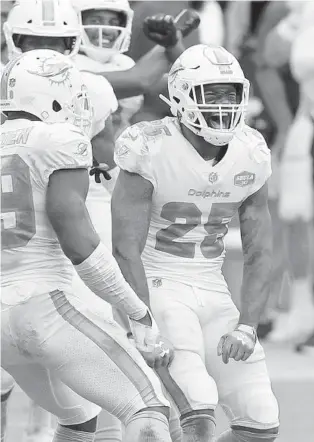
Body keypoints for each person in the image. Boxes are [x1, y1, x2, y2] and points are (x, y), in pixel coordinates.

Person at [0, 49, 174, 442]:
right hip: (43, 304)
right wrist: (137, 311)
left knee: (78, 421)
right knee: (147, 407)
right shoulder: (58, 139)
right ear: (52, 96)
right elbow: (79, 243)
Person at [111, 44, 280, 442]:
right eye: (211, 93)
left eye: (230, 93)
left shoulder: (250, 151)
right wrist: (143, 322)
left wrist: (249, 326)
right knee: (198, 408)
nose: (223, 105)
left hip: (211, 286)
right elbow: (125, 249)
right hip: (158, 284)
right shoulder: (148, 146)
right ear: (183, 94)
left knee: (260, 419)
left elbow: (260, 251)